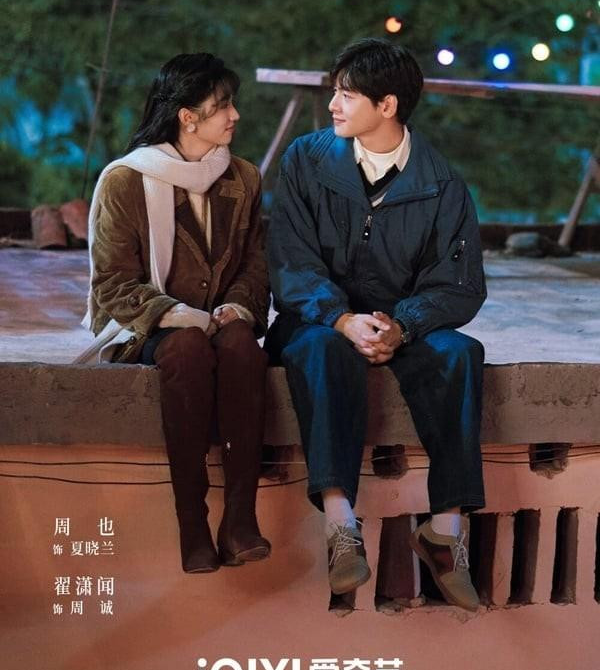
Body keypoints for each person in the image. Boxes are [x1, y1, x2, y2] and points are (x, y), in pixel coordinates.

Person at [266, 38, 487, 611]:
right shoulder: (306, 161)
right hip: (317, 319)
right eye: (334, 92)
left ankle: (445, 530)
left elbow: (460, 284)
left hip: (399, 324)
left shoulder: (442, 184)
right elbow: (289, 260)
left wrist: (402, 327)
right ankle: (341, 524)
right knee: (322, 351)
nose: (333, 105)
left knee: (461, 354)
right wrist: (341, 318)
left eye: (346, 95)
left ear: (387, 105)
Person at [81, 53, 270, 574]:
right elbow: (113, 284)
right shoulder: (126, 180)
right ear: (187, 117)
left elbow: (255, 265)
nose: (234, 115)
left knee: (241, 346)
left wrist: (238, 306)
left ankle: (240, 519)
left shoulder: (243, 178)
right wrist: (175, 313)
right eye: (222, 105)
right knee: (187, 350)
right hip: (149, 328)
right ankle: (193, 522)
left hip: (221, 322)